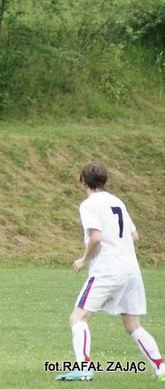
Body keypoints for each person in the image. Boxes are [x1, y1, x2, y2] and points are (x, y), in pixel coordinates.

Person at [56, 162, 165, 382]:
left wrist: (84, 259)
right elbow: (134, 237)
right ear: (104, 180)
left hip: (107, 270)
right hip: (131, 272)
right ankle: (161, 367)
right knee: (133, 325)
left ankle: (84, 368)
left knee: (78, 318)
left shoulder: (89, 205)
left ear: (83, 181)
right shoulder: (117, 201)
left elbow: (96, 237)